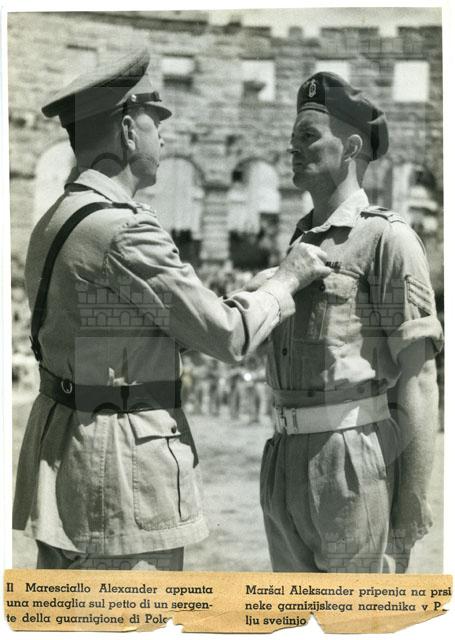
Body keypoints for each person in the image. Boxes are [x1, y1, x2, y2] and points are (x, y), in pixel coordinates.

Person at [12, 48, 331, 571]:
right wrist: (287, 280)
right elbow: (228, 337)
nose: (163, 137)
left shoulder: (59, 217)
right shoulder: (125, 228)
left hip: (68, 447)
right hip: (120, 469)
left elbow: (121, 338)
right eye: (155, 122)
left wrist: (250, 294)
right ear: (127, 131)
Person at [256, 72, 443, 573]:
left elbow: (420, 379)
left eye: (308, 136)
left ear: (351, 148)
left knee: (353, 614)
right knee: (294, 614)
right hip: (284, 460)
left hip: (352, 465)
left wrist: (411, 505)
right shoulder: (301, 243)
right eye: (293, 137)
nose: (293, 148)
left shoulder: (387, 239)